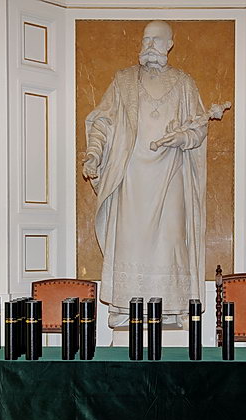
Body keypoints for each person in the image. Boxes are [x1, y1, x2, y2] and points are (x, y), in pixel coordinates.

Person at [83, 20, 208, 327]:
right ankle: (127, 307)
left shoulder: (184, 83)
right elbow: (103, 123)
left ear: (170, 44)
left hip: (171, 177)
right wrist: (93, 154)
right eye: (146, 39)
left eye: (157, 39)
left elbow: (199, 128)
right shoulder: (123, 80)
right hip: (131, 179)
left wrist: (183, 137)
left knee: (171, 241)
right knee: (131, 243)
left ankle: (171, 308)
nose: (150, 45)